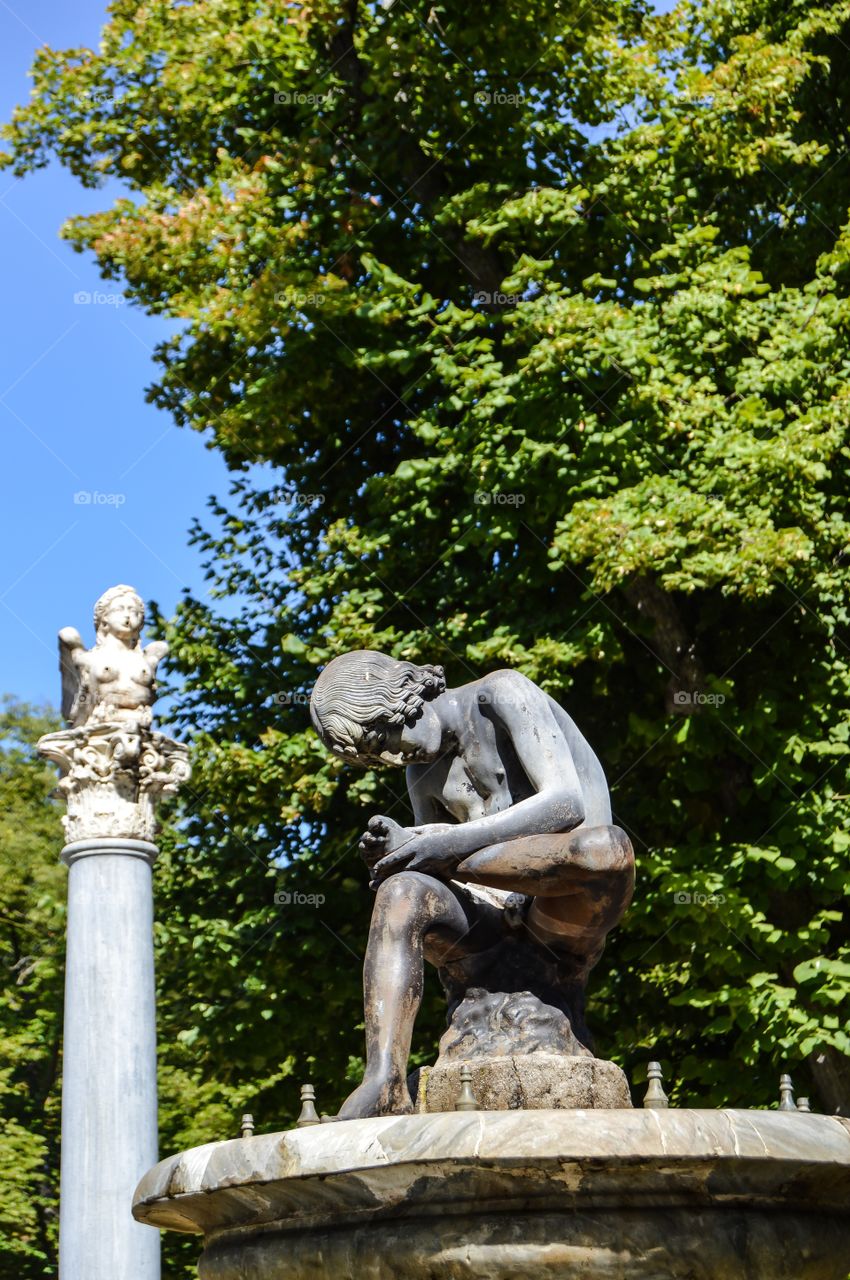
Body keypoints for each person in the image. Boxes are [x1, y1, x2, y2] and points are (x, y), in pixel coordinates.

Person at [310, 650, 634, 1118]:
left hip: (560, 906)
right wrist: (399, 855)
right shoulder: (420, 772)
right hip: (484, 927)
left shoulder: (500, 694)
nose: (388, 755)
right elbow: (432, 873)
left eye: (384, 736)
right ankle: (384, 1080)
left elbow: (567, 805)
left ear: (407, 697)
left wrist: (438, 843)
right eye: (371, 754)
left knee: (606, 849)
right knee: (400, 891)